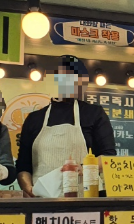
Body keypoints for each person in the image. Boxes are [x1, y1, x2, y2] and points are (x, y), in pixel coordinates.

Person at [16, 55, 116, 197]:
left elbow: (108, 157)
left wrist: (83, 168)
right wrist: (29, 188)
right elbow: (23, 165)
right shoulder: (34, 119)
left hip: (85, 198)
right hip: (42, 200)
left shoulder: (93, 113)